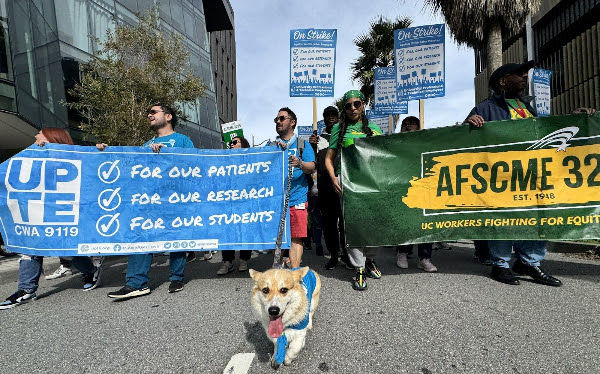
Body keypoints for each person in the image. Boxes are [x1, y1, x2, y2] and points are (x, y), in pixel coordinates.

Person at [465, 61, 595, 286]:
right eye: (520, 74)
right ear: (503, 81)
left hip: (533, 178)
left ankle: (529, 262)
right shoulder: (485, 108)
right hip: (502, 179)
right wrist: (468, 124)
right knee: (503, 219)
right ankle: (500, 265)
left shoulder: (529, 108)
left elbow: (548, 135)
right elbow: (463, 142)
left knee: (535, 217)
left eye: (526, 74)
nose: (525, 77)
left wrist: (572, 119)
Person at [101, 103, 194, 300]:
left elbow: (193, 165)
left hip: (174, 200)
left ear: (168, 116)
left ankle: (177, 277)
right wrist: (104, 152)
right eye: (148, 113)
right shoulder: (146, 144)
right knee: (141, 237)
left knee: (175, 238)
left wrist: (167, 156)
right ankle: (136, 283)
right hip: (149, 202)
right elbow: (130, 168)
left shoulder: (182, 140)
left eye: (153, 112)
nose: (149, 115)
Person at [0, 128, 102, 309]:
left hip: (65, 211)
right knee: (30, 248)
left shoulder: (74, 157)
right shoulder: (34, 155)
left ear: (52, 137)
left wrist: (100, 151)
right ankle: (26, 290)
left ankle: (90, 271)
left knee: (66, 251)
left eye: (39, 133)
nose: (35, 136)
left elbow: (95, 170)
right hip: (39, 213)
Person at [324, 90, 382, 290]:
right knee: (353, 224)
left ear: (363, 104)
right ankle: (358, 267)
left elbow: (383, 155)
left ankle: (370, 260)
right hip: (347, 181)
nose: (353, 108)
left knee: (372, 223)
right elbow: (328, 159)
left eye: (356, 104)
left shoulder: (373, 128)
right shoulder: (339, 129)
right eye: (348, 105)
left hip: (370, 181)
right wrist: (333, 178)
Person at [272, 107, 316, 269]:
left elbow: (311, 167)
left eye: (282, 118)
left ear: (292, 122)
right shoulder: (271, 145)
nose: (278, 121)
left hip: (297, 198)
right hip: (277, 201)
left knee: (296, 238)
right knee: (278, 238)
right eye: (276, 119)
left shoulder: (302, 144)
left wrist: (300, 163)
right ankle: (277, 271)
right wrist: (272, 151)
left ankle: (295, 274)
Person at [309, 106, 351, 270]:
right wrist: (312, 146)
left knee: (345, 223)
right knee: (329, 223)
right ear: (324, 118)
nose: (331, 118)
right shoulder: (318, 139)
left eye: (334, 115)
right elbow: (313, 163)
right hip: (326, 185)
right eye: (328, 115)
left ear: (339, 117)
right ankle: (334, 254)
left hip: (344, 184)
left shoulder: (344, 135)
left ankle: (347, 254)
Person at [395, 116, 437, 272]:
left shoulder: (426, 143)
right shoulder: (396, 144)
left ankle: (425, 258)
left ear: (419, 127)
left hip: (425, 189)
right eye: (404, 124)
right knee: (407, 222)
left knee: (426, 223)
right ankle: (403, 253)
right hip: (405, 189)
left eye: (411, 124)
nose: (407, 126)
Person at [217, 136, 253, 275]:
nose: (231, 145)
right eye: (230, 143)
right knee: (227, 231)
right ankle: (227, 262)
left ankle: (244, 259)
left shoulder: (251, 161)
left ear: (243, 145)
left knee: (245, 230)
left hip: (245, 202)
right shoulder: (224, 161)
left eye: (234, 142)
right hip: (228, 202)